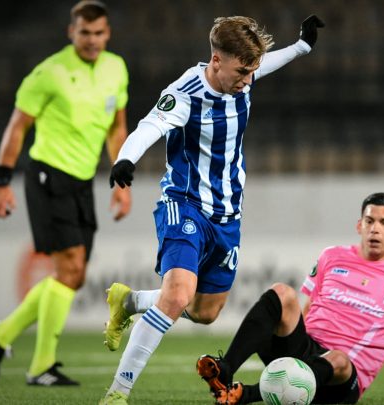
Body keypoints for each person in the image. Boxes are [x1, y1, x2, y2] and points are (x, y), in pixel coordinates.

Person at [99, 15, 325, 404]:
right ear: (216, 60)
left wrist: (301, 47)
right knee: (177, 295)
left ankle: (131, 301)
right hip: (184, 204)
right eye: (241, 71)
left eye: (251, 71)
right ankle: (118, 393)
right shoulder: (185, 93)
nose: (247, 80)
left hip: (227, 215)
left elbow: (263, 64)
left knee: (205, 312)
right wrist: (126, 158)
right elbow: (151, 124)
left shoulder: (245, 75)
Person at [0, 0, 130, 386]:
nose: (93, 40)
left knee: (74, 276)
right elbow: (17, 127)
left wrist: (121, 181)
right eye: (85, 33)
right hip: (48, 176)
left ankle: (1, 335)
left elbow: (117, 128)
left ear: (108, 33)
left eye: (99, 33)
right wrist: (1, 182)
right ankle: (41, 366)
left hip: (82, 182)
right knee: (71, 269)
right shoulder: (49, 72)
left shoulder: (117, 68)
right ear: (71, 32)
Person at [195, 193, 384, 405]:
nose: (375, 228)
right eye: (370, 221)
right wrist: (290, 345)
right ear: (359, 226)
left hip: (343, 376)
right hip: (307, 350)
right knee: (282, 292)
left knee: (338, 358)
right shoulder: (331, 256)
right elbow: (309, 306)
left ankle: (246, 394)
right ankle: (225, 370)